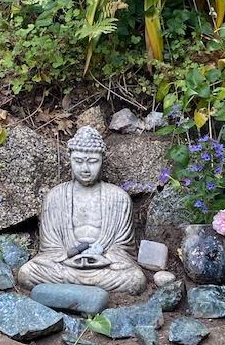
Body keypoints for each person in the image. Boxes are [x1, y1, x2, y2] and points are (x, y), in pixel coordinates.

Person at [18, 126, 146, 294]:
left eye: (92, 162)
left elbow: (123, 248)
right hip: (65, 265)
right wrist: (69, 257)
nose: (85, 168)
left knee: (135, 279)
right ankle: (87, 289)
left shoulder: (119, 198)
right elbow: (49, 248)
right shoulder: (55, 196)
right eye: (78, 161)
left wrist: (102, 257)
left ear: (102, 161)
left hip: (103, 266)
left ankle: (69, 289)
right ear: (70, 160)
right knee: (27, 273)